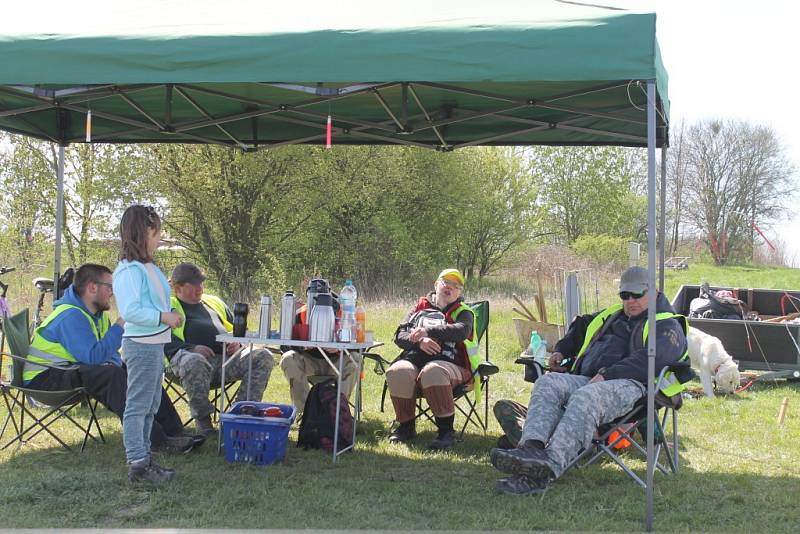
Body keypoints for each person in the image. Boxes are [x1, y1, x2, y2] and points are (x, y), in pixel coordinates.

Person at [490, 266, 691, 495]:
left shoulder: (667, 325)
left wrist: (607, 375)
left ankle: (548, 466)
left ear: (654, 292)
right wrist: (562, 350)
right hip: (589, 378)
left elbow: (650, 360)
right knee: (548, 382)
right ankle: (531, 450)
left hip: (636, 388)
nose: (630, 300)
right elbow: (581, 324)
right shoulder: (614, 314)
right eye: (625, 295)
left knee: (585, 396)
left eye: (637, 294)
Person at [23, 263, 202, 455]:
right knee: (110, 375)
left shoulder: (95, 315)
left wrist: (119, 364)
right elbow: (93, 357)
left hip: (68, 370)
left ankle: (174, 431)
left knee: (138, 371)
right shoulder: (70, 316)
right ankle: (156, 441)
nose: (113, 293)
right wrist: (120, 326)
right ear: (92, 287)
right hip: (44, 381)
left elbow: (110, 355)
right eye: (110, 287)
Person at [113, 205, 183, 483]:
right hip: (141, 345)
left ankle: (144, 457)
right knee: (138, 406)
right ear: (142, 232)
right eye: (156, 232)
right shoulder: (129, 271)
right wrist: (163, 316)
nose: (159, 237)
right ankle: (138, 464)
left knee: (151, 404)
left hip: (154, 344)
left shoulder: (146, 267)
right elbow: (130, 311)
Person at [165, 262, 274, 436]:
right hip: (186, 364)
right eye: (193, 284)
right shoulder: (168, 306)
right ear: (178, 287)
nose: (199, 287)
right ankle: (203, 422)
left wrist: (238, 342)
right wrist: (191, 348)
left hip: (224, 361)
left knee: (263, 356)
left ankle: (240, 415)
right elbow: (161, 339)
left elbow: (238, 329)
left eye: (201, 282)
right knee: (195, 361)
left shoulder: (214, 302)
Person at [385, 268, 480, 450]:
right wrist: (420, 341)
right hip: (415, 360)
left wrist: (428, 331)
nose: (450, 288)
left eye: (456, 286)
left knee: (433, 371)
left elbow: (461, 331)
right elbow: (399, 335)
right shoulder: (419, 308)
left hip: (454, 366)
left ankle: (446, 432)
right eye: (446, 282)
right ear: (436, 284)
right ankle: (406, 427)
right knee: (398, 371)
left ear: (460, 292)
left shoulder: (464, 312)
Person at [279, 296, 359, 417]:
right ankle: (306, 413)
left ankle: (337, 412)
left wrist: (341, 347)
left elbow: (358, 346)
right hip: (308, 362)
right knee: (288, 358)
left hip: (336, 361)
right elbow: (284, 346)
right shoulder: (301, 314)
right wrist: (301, 346)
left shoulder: (345, 314)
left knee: (355, 359)